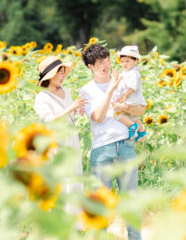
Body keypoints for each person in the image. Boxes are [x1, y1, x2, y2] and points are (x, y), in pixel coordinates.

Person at [79, 44, 145, 240]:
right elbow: (97, 117)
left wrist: (126, 105)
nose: (107, 65)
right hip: (102, 150)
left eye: (108, 60)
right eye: (101, 62)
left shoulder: (126, 79)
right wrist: (110, 90)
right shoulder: (86, 90)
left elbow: (140, 109)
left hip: (125, 146)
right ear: (91, 67)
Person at [33, 56, 86, 210]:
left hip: (71, 139)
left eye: (64, 73)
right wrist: (71, 107)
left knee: (75, 175)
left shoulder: (66, 91)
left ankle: (77, 223)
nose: (63, 76)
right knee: (62, 179)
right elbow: (49, 120)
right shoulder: (42, 97)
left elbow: (69, 114)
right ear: (50, 75)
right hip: (57, 141)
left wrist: (77, 109)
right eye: (60, 73)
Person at [112, 45, 147, 142]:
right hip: (134, 101)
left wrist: (124, 96)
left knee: (116, 113)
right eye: (122, 61)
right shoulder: (127, 72)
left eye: (127, 61)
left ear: (136, 61)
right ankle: (141, 131)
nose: (124, 64)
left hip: (130, 100)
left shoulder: (133, 73)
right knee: (134, 117)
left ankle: (132, 125)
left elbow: (132, 87)